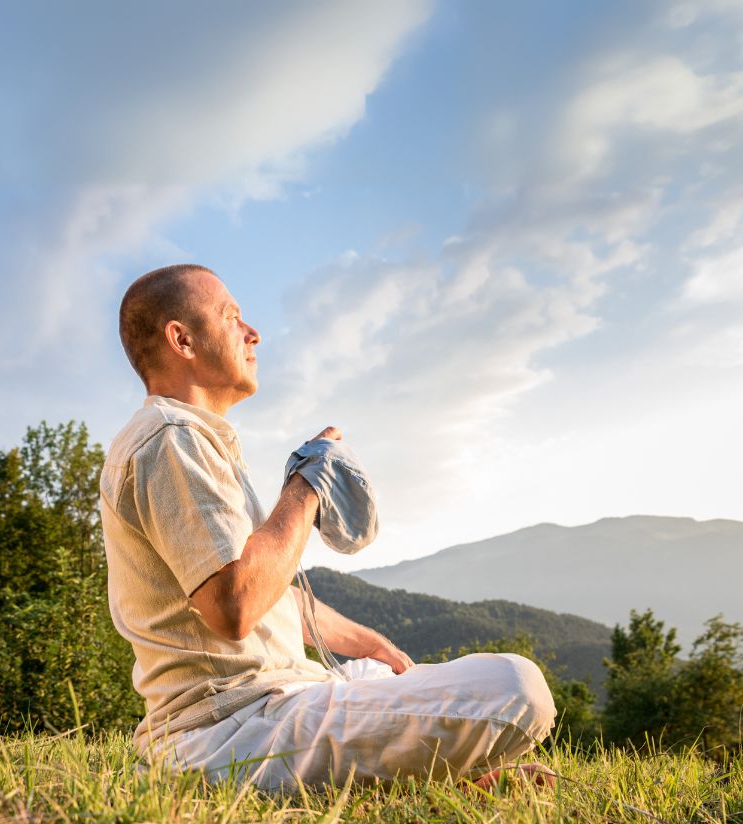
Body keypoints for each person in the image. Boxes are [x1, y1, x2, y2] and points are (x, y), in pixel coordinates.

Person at [100, 264, 556, 792]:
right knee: (517, 686)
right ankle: (441, 778)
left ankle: (439, 775)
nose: (253, 334)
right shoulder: (170, 438)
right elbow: (234, 605)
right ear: (182, 339)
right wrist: (307, 484)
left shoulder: (193, 440)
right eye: (232, 318)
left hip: (277, 699)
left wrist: (370, 642)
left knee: (376, 675)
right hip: (225, 731)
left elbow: (277, 597)